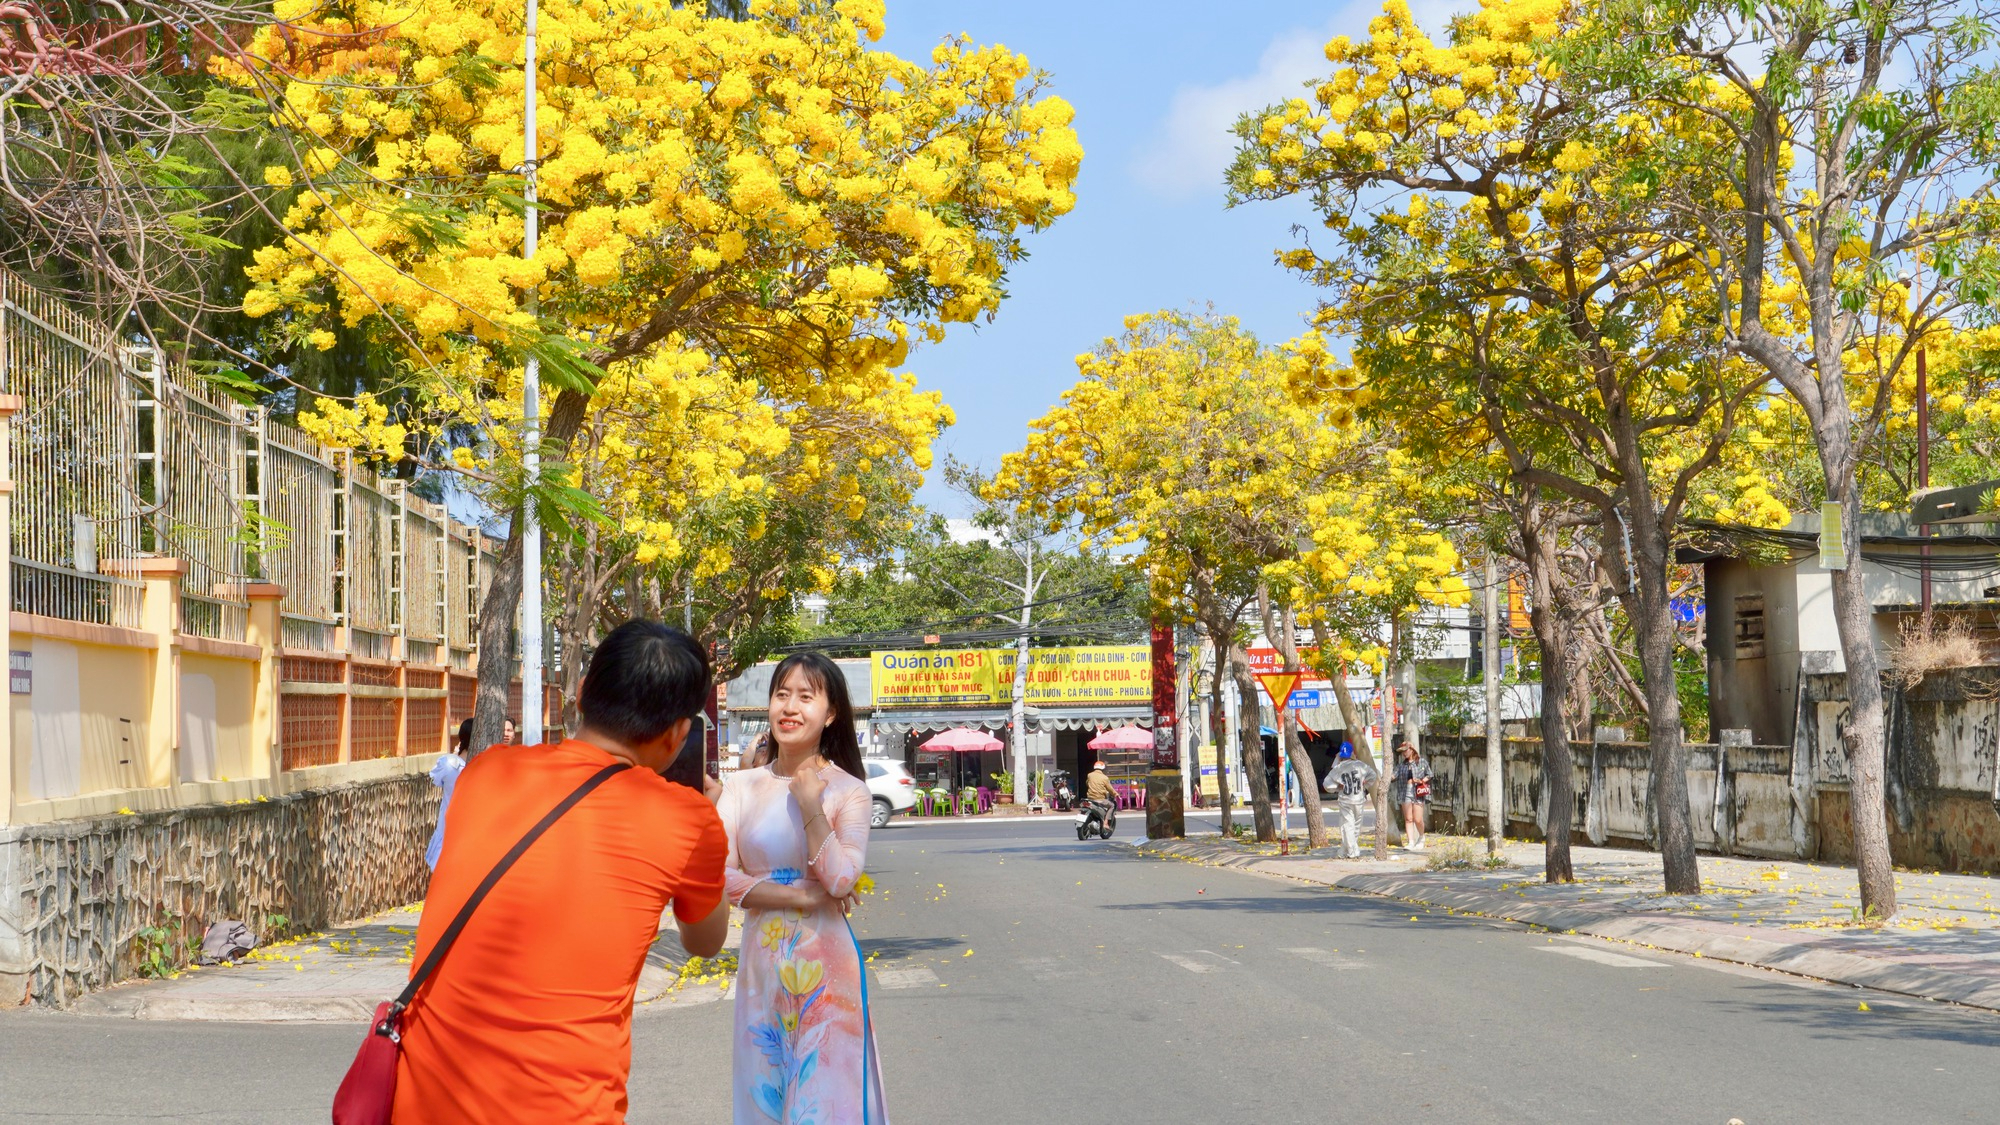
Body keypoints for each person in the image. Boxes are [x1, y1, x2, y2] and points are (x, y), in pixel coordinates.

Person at [393, 621, 731, 1123]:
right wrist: (706, 821)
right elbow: (705, 941)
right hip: (565, 1107)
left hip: (423, 1103)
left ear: (581, 693)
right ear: (679, 734)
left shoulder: (487, 772)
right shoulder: (687, 817)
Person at [717, 651, 887, 1124]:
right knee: (765, 1096)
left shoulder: (849, 791)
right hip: (762, 969)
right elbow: (717, 875)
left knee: (823, 1104)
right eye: (782, 694)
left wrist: (811, 804)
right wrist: (802, 896)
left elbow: (840, 877)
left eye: (805, 697)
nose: (789, 707)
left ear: (830, 714)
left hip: (826, 970)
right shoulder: (741, 787)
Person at [424, 720, 471, 871]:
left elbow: (436, 780)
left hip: (447, 827)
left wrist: (455, 755)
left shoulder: (448, 763)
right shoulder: (481, 766)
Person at [1322, 747, 1378, 859]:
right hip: (1359, 799)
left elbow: (1327, 784)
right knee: (1356, 826)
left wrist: (1337, 787)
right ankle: (1348, 850)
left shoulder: (1338, 768)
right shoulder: (1361, 765)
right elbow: (1373, 775)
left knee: (1347, 825)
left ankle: (1350, 851)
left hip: (1345, 800)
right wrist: (1364, 785)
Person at [1394, 740, 1434, 851]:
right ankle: (1411, 842)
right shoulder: (1401, 765)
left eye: (1405, 750)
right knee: (1408, 818)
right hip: (1405, 792)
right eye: (1402, 751)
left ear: (1411, 750)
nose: (1404, 753)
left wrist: (1421, 781)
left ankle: (1421, 837)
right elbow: (1394, 775)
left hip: (1418, 792)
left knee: (1418, 819)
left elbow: (1430, 774)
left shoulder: (1421, 762)